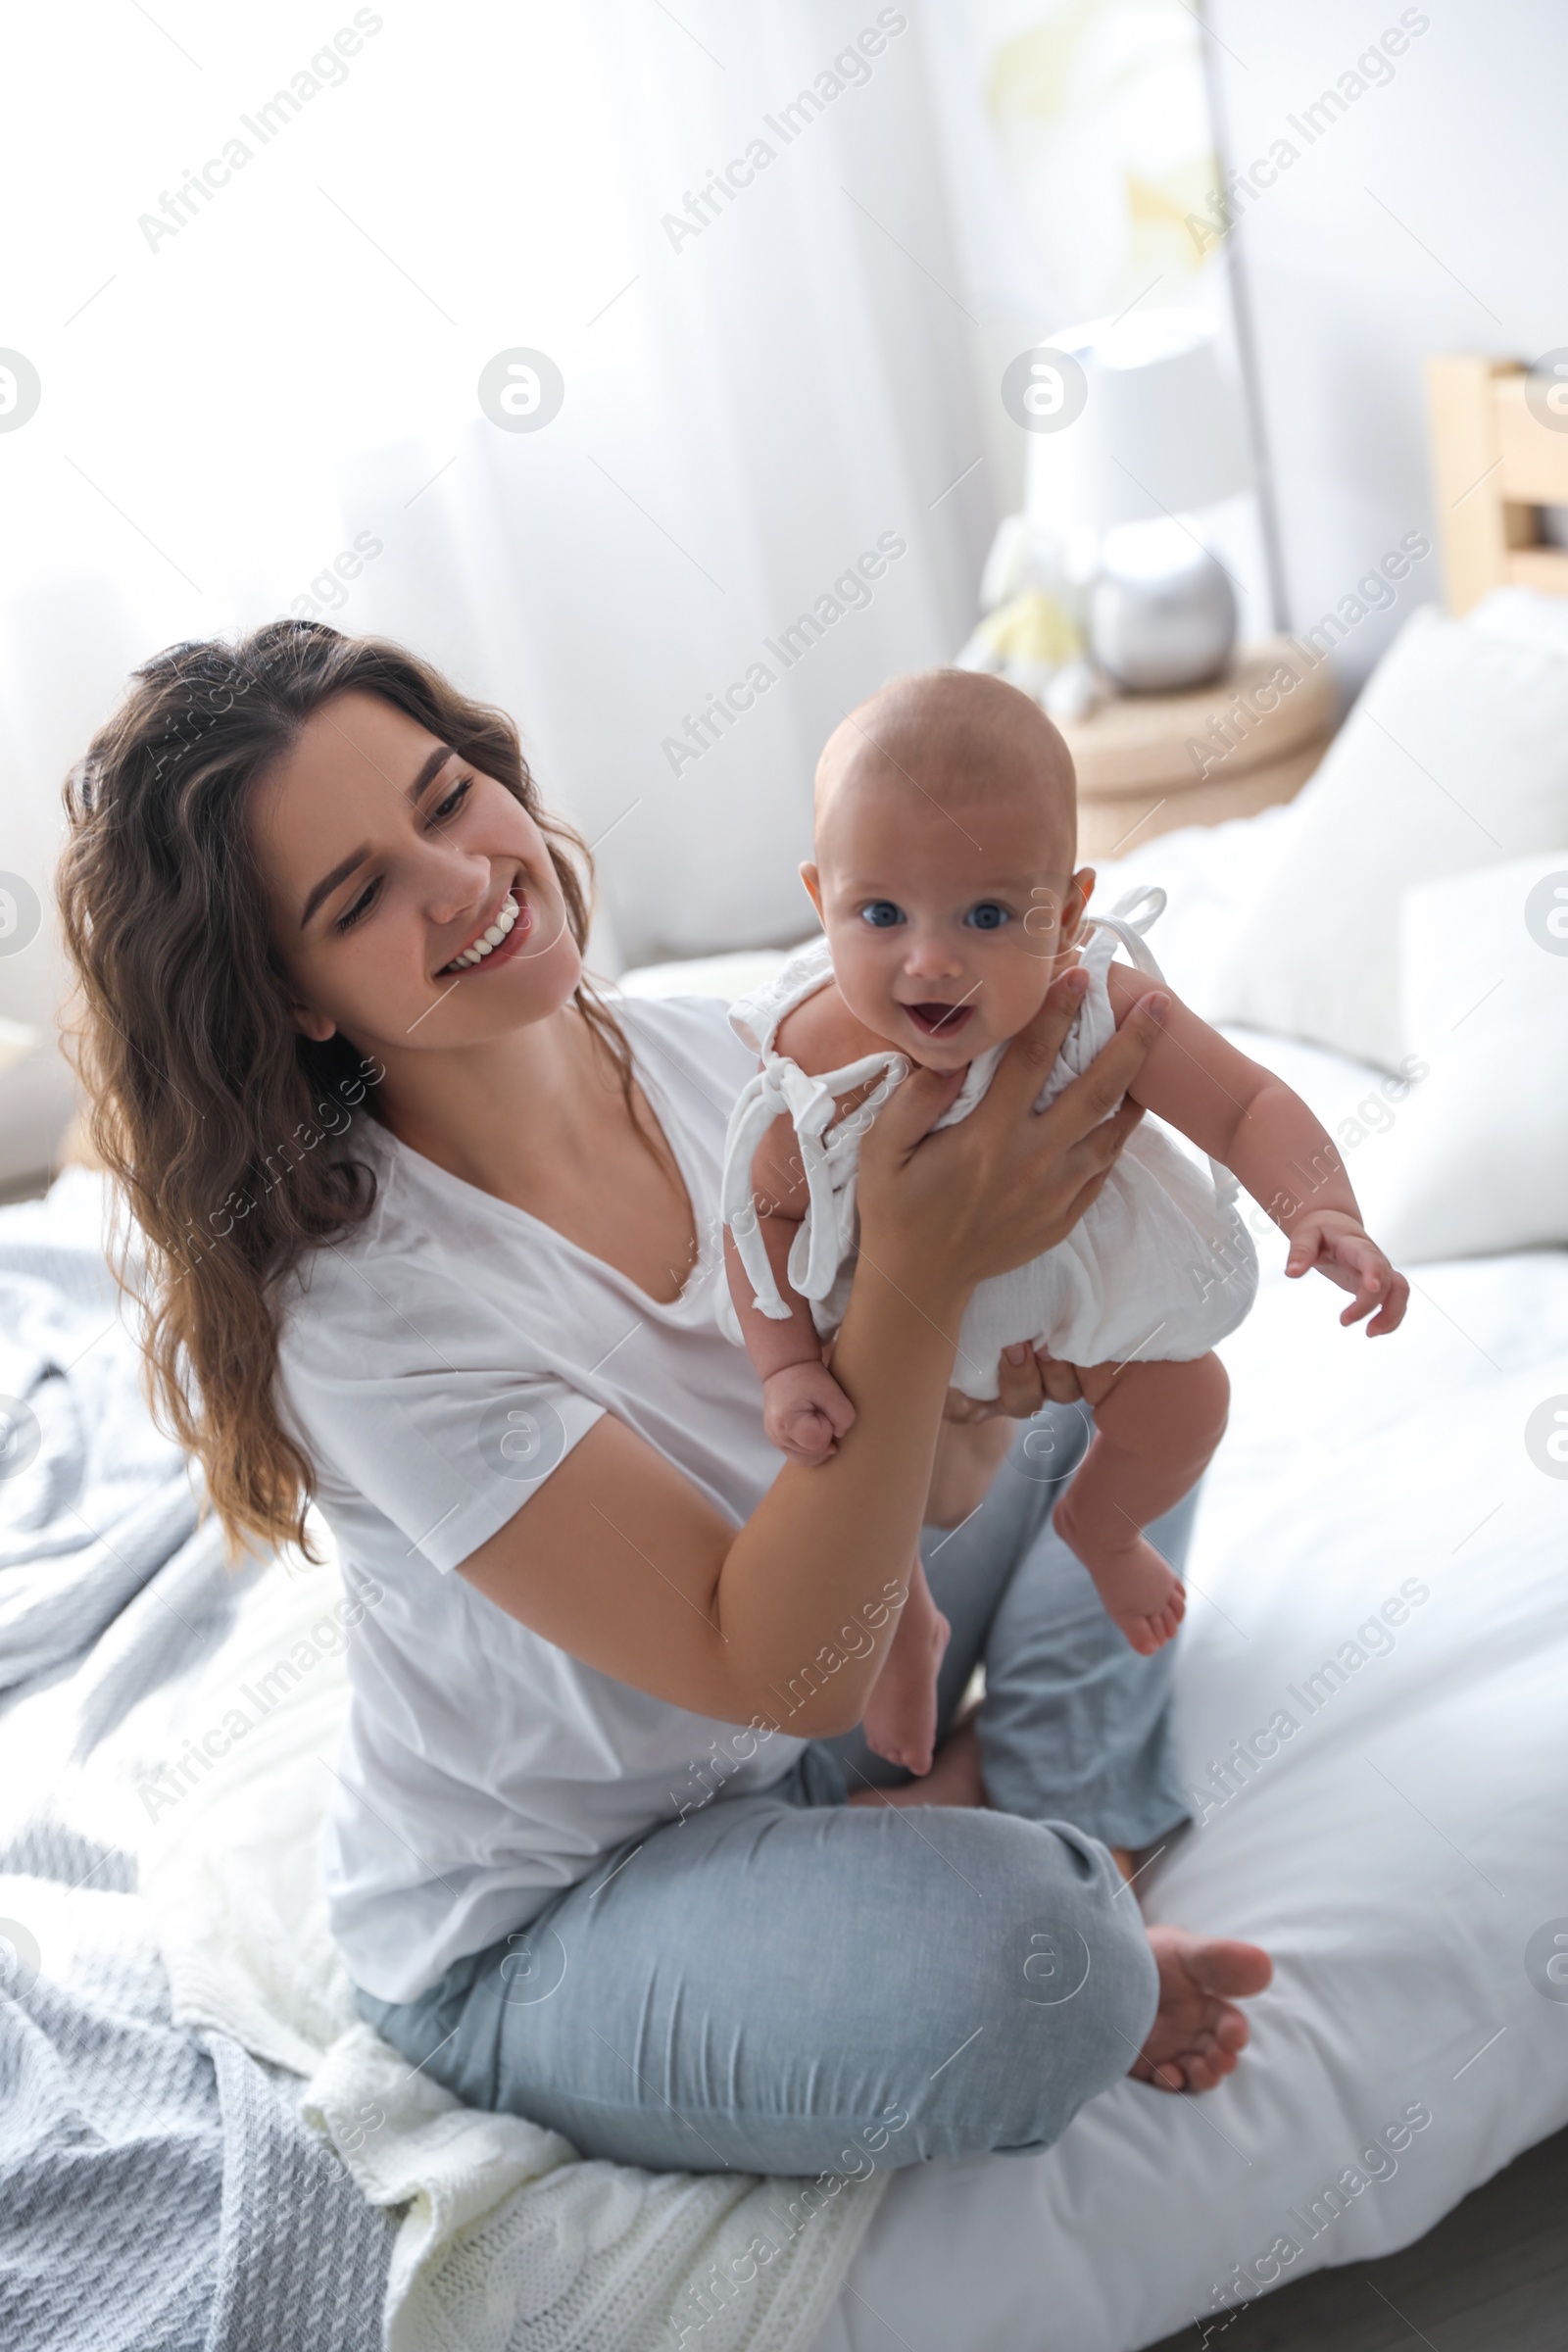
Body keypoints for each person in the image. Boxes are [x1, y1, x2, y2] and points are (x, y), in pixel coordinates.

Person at [58, 621, 1271, 2180]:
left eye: (448, 799)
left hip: (807, 1697)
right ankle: (1006, 1843)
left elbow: (918, 1484)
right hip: (565, 1905)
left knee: (1138, 1353)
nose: (462, 880)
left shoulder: (731, 1060)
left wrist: (998, 1339)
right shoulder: (366, 1318)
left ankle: (1024, 1807)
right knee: (1057, 1974)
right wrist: (919, 1274)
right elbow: (786, 1669)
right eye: (359, 898)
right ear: (295, 998)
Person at [719, 670, 1408, 1772]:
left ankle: (1104, 1526)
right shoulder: (815, 1059)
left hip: (1079, 1299)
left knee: (1191, 1402)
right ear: (819, 899)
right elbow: (756, 1217)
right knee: (856, 1468)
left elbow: (1244, 1104)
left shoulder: (1097, 1008)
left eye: (989, 916)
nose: (930, 960)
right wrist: (786, 1366)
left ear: (1072, 912)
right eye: (881, 914)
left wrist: (1321, 1204)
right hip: (891, 1339)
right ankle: (900, 1630)